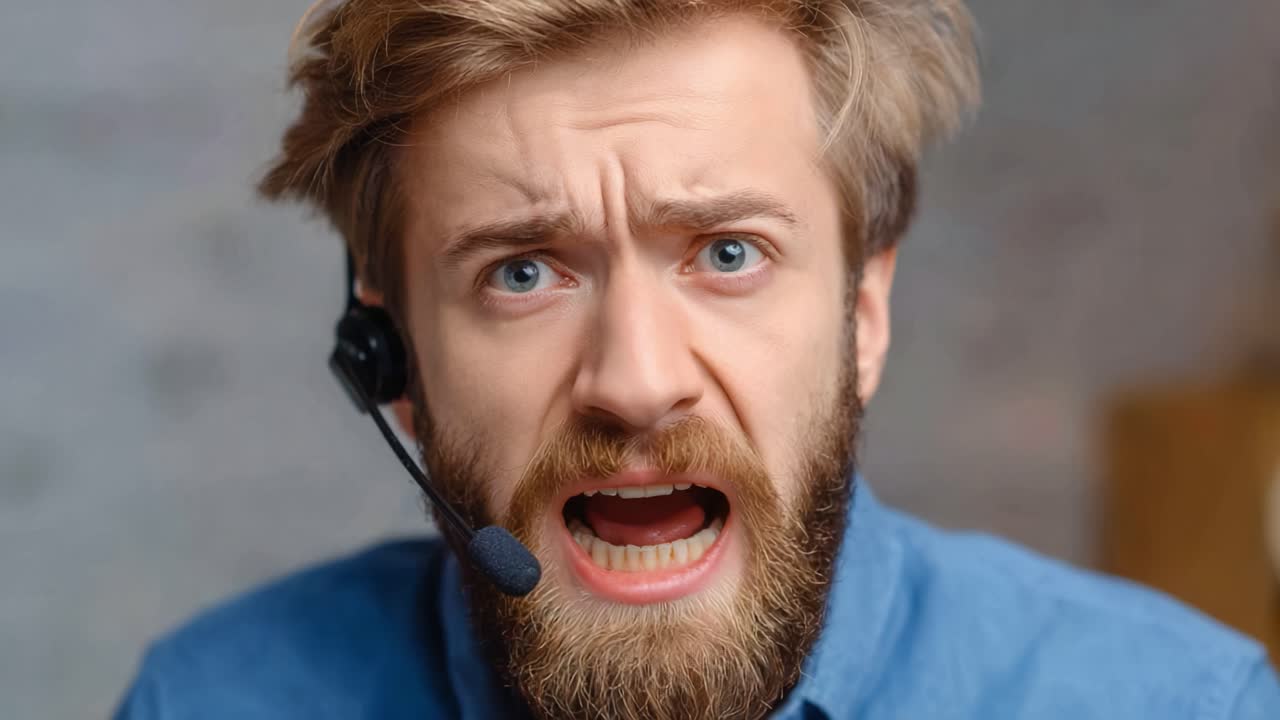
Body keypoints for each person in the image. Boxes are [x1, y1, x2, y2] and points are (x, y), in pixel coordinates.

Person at [114, 1, 1280, 718]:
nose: (634, 379)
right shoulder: (208, 703)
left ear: (862, 315)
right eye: (521, 271)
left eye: (727, 252)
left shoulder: (1178, 708)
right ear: (393, 362)